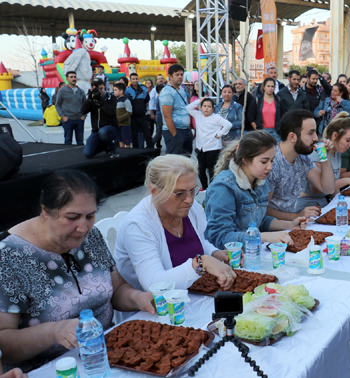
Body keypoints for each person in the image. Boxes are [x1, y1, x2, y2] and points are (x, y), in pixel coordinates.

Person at [0, 171, 155, 373]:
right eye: (72, 217)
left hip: (111, 356)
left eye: (90, 216)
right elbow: (4, 342)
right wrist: (54, 332)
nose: (83, 228)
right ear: (45, 210)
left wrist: (138, 297)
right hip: (49, 369)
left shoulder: (91, 236)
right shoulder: (9, 256)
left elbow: (117, 289)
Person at [114, 155, 235, 295]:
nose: (189, 199)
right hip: (154, 309)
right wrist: (201, 263)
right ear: (155, 192)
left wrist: (214, 253)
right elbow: (154, 284)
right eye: (179, 193)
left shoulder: (191, 209)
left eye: (192, 190)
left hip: (190, 294)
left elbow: (198, 241)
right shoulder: (138, 226)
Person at [205, 131, 308, 248]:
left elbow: (259, 220)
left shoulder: (260, 180)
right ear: (245, 158)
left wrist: (290, 225)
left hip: (254, 252)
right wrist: (263, 237)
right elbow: (219, 237)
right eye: (264, 161)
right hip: (231, 258)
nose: (270, 167)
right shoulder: (224, 187)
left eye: (272, 160)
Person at [266, 109, 335, 220]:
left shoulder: (303, 158)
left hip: (289, 225)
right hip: (271, 230)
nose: (316, 138)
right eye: (310, 133)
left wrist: (325, 157)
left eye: (315, 132)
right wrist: (296, 216)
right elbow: (263, 209)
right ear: (292, 137)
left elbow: (328, 189)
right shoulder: (272, 163)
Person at [296, 113, 350, 209]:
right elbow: (317, 189)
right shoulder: (318, 153)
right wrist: (348, 181)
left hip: (322, 201)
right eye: (348, 140)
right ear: (335, 135)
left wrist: (339, 202)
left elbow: (333, 186)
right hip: (307, 204)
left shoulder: (337, 153)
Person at [187, 98, 232, 190]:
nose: (206, 108)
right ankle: (204, 187)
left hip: (213, 148)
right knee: (200, 169)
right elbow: (188, 108)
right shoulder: (198, 115)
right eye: (204, 106)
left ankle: (213, 187)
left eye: (209, 106)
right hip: (201, 148)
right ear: (201, 107)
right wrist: (200, 100)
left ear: (213, 108)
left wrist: (219, 134)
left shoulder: (216, 117)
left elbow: (228, 125)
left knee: (212, 170)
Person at [81, 77, 120, 158]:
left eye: (101, 88)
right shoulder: (92, 99)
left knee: (103, 131)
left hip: (110, 128)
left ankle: (111, 148)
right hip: (96, 130)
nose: (100, 91)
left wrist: (100, 100)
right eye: (97, 89)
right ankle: (105, 146)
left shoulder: (111, 97)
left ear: (105, 87)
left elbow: (111, 112)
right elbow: (83, 111)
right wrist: (89, 100)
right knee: (87, 154)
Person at [161, 64, 193, 156]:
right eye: (177, 74)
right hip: (174, 131)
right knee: (175, 162)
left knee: (186, 160)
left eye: (181, 74)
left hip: (185, 130)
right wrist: (175, 134)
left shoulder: (181, 89)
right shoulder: (167, 91)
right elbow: (167, 116)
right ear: (170, 76)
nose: (180, 77)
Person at [55, 71, 86, 145]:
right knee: (68, 141)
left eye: (74, 77)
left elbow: (85, 105)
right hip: (68, 119)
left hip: (79, 119)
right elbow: (57, 105)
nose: (73, 78)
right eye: (71, 77)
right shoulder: (62, 91)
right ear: (67, 79)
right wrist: (62, 116)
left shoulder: (81, 91)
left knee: (80, 142)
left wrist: (84, 115)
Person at [125, 73, 152, 149]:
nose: (135, 80)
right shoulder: (127, 91)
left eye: (136, 79)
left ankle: (151, 151)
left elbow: (147, 100)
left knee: (147, 134)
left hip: (142, 116)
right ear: (130, 80)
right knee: (134, 136)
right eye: (133, 79)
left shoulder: (144, 90)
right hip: (133, 117)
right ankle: (136, 152)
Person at [252, 77, 284, 142]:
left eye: (272, 86)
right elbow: (250, 116)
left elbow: (283, 115)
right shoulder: (258, 99)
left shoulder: (278, 100)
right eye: (268, 86)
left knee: (277, 151)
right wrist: (257, 129)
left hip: (276, 132)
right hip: (263, 131)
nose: (270, 88)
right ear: (264, 87)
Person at [215, 84, 243, 148]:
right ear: (221, 93)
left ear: (233, 94)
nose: (227, 94)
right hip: (218, 140)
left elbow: (241, 122)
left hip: (232, 139)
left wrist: (226, 125)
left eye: (229, 92)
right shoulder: (217, 106)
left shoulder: (237, 106)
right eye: (224, 92)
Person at [149, 74, 166, 149]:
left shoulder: (167, 88)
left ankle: (155, 144)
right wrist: (151, 112)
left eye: (162, 78)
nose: (160, 80)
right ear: (156, 80)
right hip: (158, 113)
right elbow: (151, 102)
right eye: (159, 79)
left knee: (159, 131)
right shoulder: (154, 91)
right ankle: (151, 144)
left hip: (162, 114)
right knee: (159, 131)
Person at [114, 82, 132, 148]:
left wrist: (119, 118)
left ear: (121, 91)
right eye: (114, 90)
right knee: (120, 140)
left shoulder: (126, 100)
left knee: (127, 141)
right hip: (118, 125)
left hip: (125, 125)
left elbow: (129, 112)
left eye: (116, 90)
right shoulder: (116, 100)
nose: (114, 92)